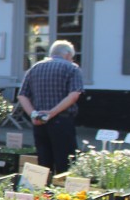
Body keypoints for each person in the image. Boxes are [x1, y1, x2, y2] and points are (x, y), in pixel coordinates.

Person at [17, 39, 83, 175]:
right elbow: (74, 95)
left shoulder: (35, 68)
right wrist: (51, 113)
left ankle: (42, 193)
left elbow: (22, 95)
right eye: (72, 56)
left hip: (39, 122)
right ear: (68, 55)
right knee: (65, 163)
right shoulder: (72, 68)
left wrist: (33, 114)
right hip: (62, 121)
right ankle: (63, 193)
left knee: (43, 162)